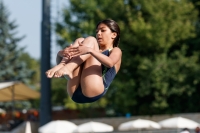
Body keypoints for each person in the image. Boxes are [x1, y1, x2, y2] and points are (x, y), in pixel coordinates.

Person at [46, 19, 122, 103]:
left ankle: (67, 67)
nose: (98, 33)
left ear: (114, 34)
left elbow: (110, 63)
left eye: (103, 30)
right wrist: (60, 54)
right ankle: (62, 65)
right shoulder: (90, 50)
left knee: (91, 40)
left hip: (94, 90)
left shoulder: (115, 50)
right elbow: (61, 75)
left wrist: (90, 50)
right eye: (97, 31)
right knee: (80, 40)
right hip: (74, 92)